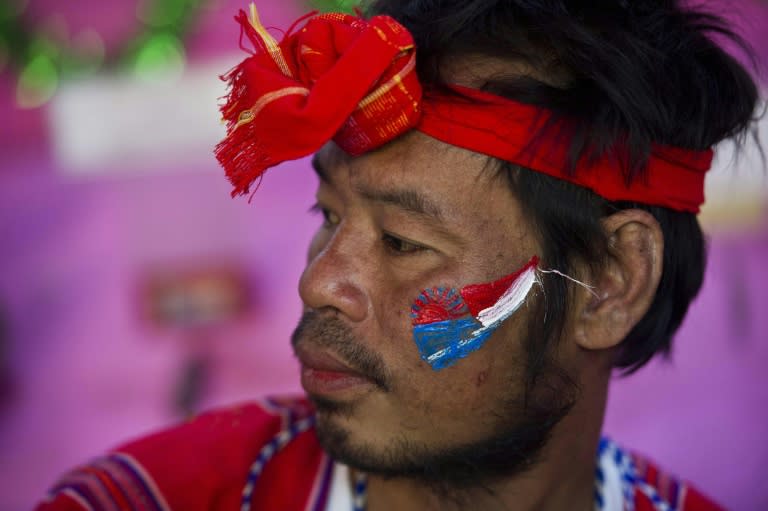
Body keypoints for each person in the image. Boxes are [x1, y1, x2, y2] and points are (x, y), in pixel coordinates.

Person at [36, 1, 759, 510]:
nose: (320, 281)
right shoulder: (152, 497)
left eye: (403, 242)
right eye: (329, 215)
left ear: (610, 282)